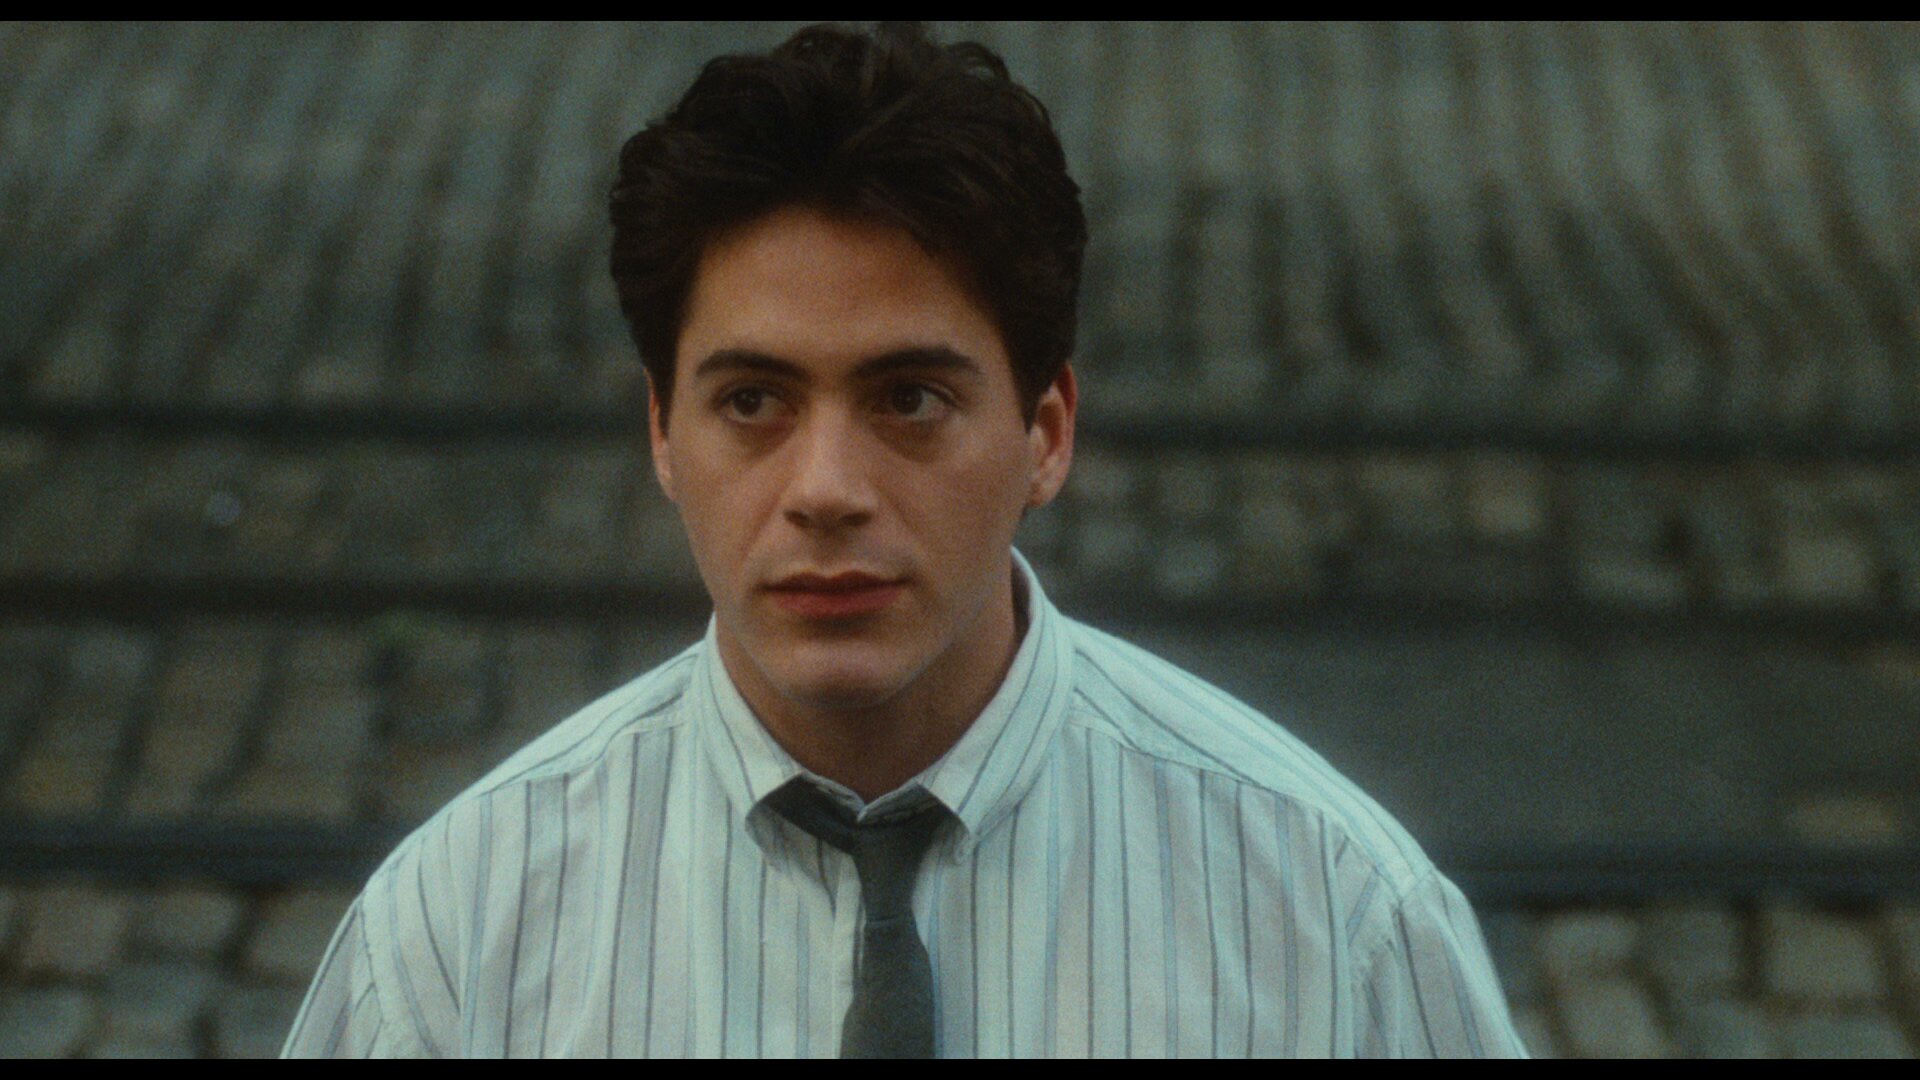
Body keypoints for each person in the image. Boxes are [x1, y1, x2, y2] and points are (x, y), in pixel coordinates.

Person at [284, 22, 1526, 1058]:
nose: (825, 490)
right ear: (663, 432)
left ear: (1047, 433)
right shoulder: (459, 936)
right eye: (752, 402)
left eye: (910, 400)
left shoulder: (1335, 921)